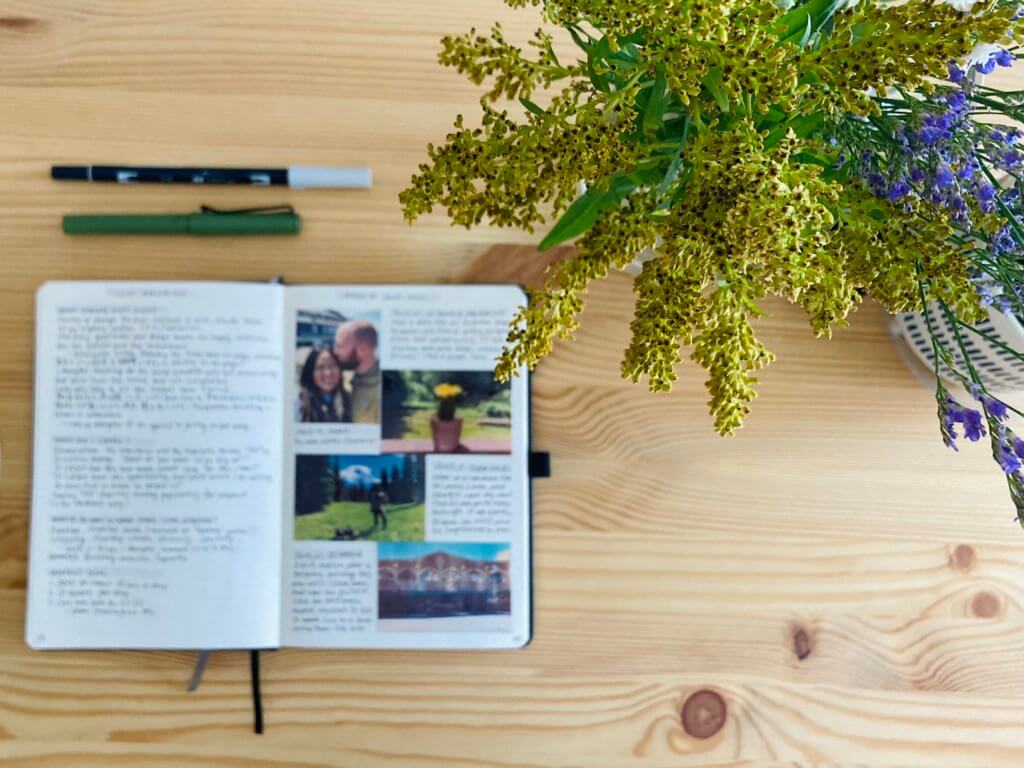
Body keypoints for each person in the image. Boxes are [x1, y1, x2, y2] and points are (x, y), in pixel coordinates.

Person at [334, 319, 380, 423]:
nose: (335, 351)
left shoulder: (379, 394)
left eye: (340, 346)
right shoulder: (344, 379)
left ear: (363, 349)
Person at [297, 345, 351, 423]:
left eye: (332, 366)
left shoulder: (348, 400)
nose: (328, 373)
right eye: (320, 367)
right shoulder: (299, 402)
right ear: (310, 371)